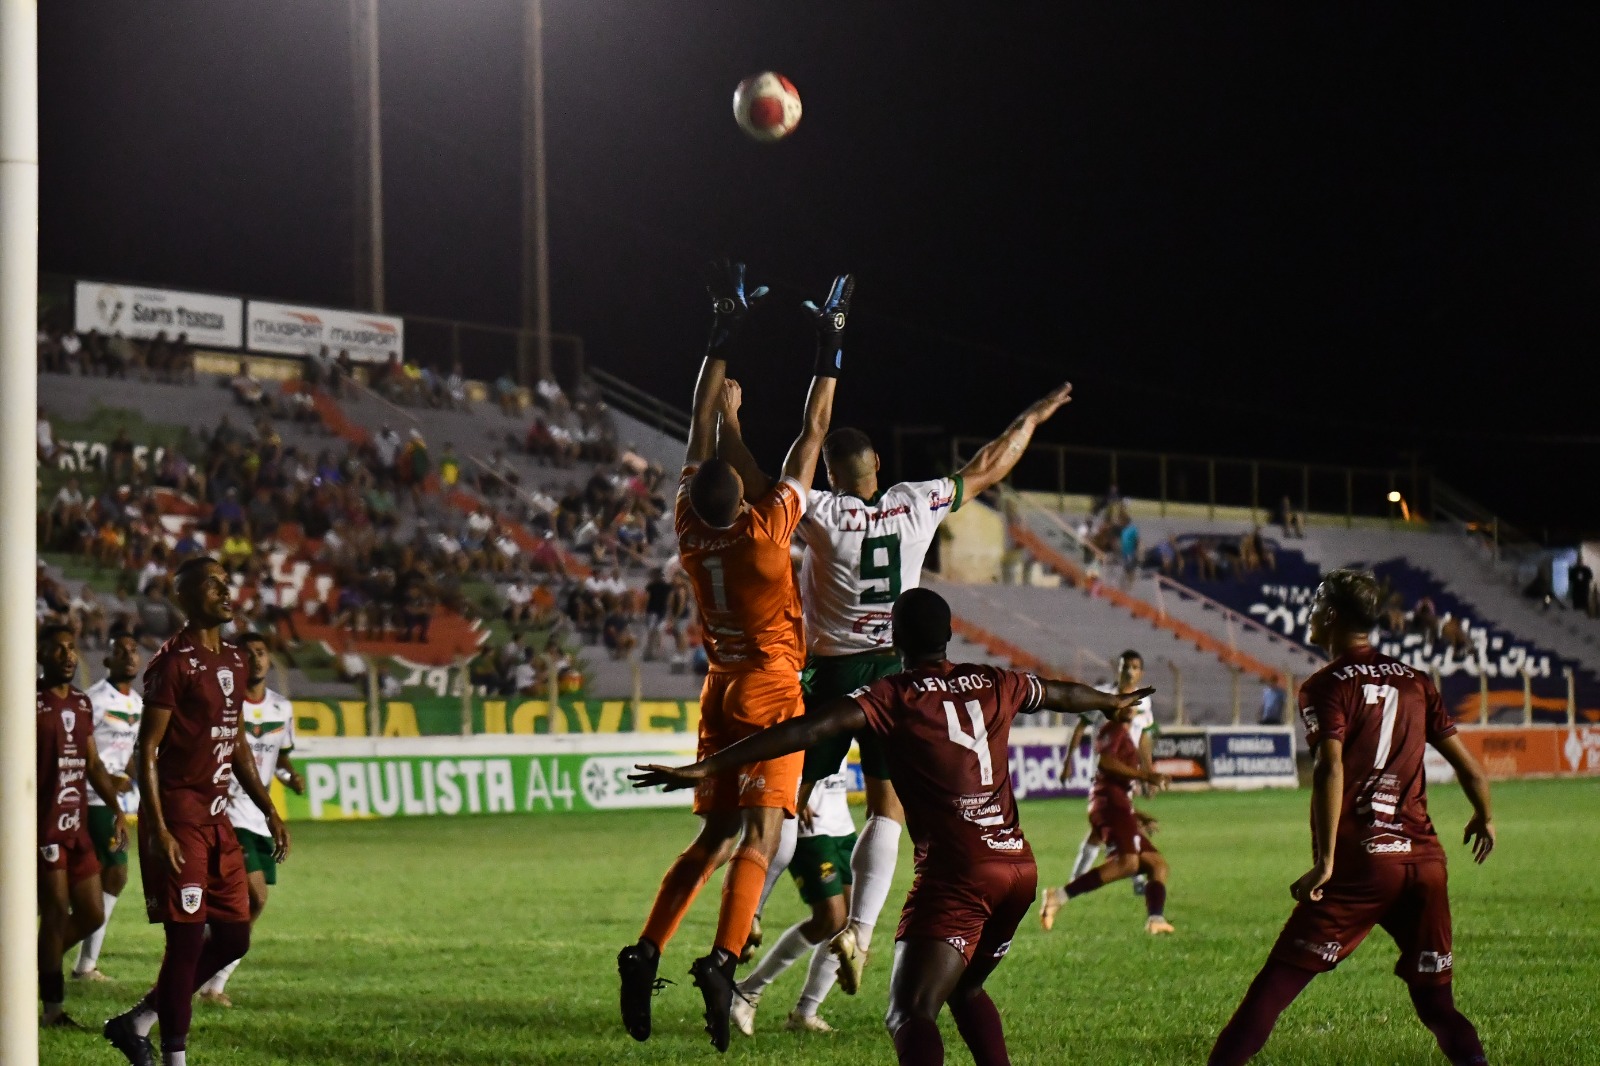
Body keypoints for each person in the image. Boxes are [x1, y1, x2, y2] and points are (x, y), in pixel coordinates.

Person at [631, 587, 1154, 1065]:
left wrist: (708, 766)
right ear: (949, 636)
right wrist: (1110, 702)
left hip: (958, 874)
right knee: (965, 989)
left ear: (894, 637)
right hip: (1017, 867)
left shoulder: (895, 695)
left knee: (910, 1012)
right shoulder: (996, 681)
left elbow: (804, 730)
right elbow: (1060, 694)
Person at [716, 375, 1074, 994]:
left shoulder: (822, 511)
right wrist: (1033, 419)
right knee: (889, 810)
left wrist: (730, 422)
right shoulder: (916, 502)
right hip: (894, 673)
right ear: (877, 466)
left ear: (829, 474)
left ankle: (742, 924)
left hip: (830, 674)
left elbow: (751, 482)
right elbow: (989, 465)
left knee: (785, 800)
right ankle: (858, 928)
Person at [615, 260, 846, 1052]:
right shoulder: (763, 532)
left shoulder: (688, 522)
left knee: (710, 841)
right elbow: (814, 434)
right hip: (770, 688)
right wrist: (831, 346)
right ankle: (720, 962)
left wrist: (722, 336)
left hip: (717, 688)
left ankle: (646, 951)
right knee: (761, 839)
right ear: (740, 499)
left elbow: (695, 420)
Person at [1208, 568, 1495, 1066]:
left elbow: (1329, 767)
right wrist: (1484, 816)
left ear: (1334, 616)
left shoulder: (1324, 686)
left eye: (1318, 603)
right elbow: (1470, 769)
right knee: (1437, 1006)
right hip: (1425, 862)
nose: (1311, 613)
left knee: (1270, 991)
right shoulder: (1416, 682)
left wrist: (1325, 861)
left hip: (1363, 865)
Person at [103, 556, 290, 1066]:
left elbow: (237, 746)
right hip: (180, 818)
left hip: (217, 818)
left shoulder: (231, 660)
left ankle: (137, 1021)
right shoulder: (173, 662)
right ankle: (173, 1059)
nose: (226, 592)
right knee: (185, 944)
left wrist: (268, 807)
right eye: (212, 585)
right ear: (184, 597)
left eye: (227, 584)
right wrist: (157, 826)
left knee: (233, 937)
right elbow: (148, 750)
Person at [196, 633, 304, 1006]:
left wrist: (290, 777)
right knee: (252, 895)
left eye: (261, 652)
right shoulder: (226, 704)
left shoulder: (281, 708)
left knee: (254, 904)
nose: (256, 659)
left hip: (260, 816)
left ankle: (212, 978)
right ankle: (207, 974)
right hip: (227, 813)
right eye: (248, 653)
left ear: (270, 660)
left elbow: (280, 757)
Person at [37, 625, 132, 1027]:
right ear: (41, 655)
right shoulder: (27, 701)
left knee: (92, 913)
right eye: (57, 649)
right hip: (43, 827)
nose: (67, 655)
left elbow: (92, 764)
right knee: (56, 912)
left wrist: (117, 809)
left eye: (71, 648)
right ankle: (52, 1009)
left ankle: (31, 963)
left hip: (76, 825)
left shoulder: (80, 702)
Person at [1039, 681, 1174, 935]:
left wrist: (1135, 814)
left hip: (1118, 804)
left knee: (1157, 865)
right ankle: (1059, 896)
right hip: (1108, 804)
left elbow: (1118, 780)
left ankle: (1155, 919)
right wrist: (1146, 775)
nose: (1132, 706)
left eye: (1135, 703)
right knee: (1127, 863)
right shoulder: (1112, 729)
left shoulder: (1125, 734)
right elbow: (1106, 763)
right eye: (1127, 701)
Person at [731, 768, 858, 1036]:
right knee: (830, 917)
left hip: (842, 825)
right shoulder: (799, 723)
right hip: (808, 825)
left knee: (846, 924)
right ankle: (749, 989)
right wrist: (799, 796)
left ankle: (805, 1012)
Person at [72, 635, 144, 983]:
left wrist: (135, 778)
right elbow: (79, 748)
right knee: (115, 873)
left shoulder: (139, 704)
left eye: (133, 651)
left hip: (112, 801)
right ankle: (84, 964)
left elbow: (128, 750)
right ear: (107, 661)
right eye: (121, 652)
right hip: (90, 797)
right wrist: (108, 778)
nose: (129, 656)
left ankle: (84, 963)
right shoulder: (95, 699)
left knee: (95, 878)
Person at [1061, 649, 1159, 893]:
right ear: (1118, 668)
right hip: (1107, 771)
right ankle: (1137, 880)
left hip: (1128, 771)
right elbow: (1080, 727)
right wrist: (1068, 760)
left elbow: (1145, 737)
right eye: (1125, 666)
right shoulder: (1102, 695)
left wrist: (1148, 769)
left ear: (1141, 672)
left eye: (1135, 667)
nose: (1129, 671)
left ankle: (1076, 878)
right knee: (1124, 820)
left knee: (1102, 828)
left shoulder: (1144, 702)